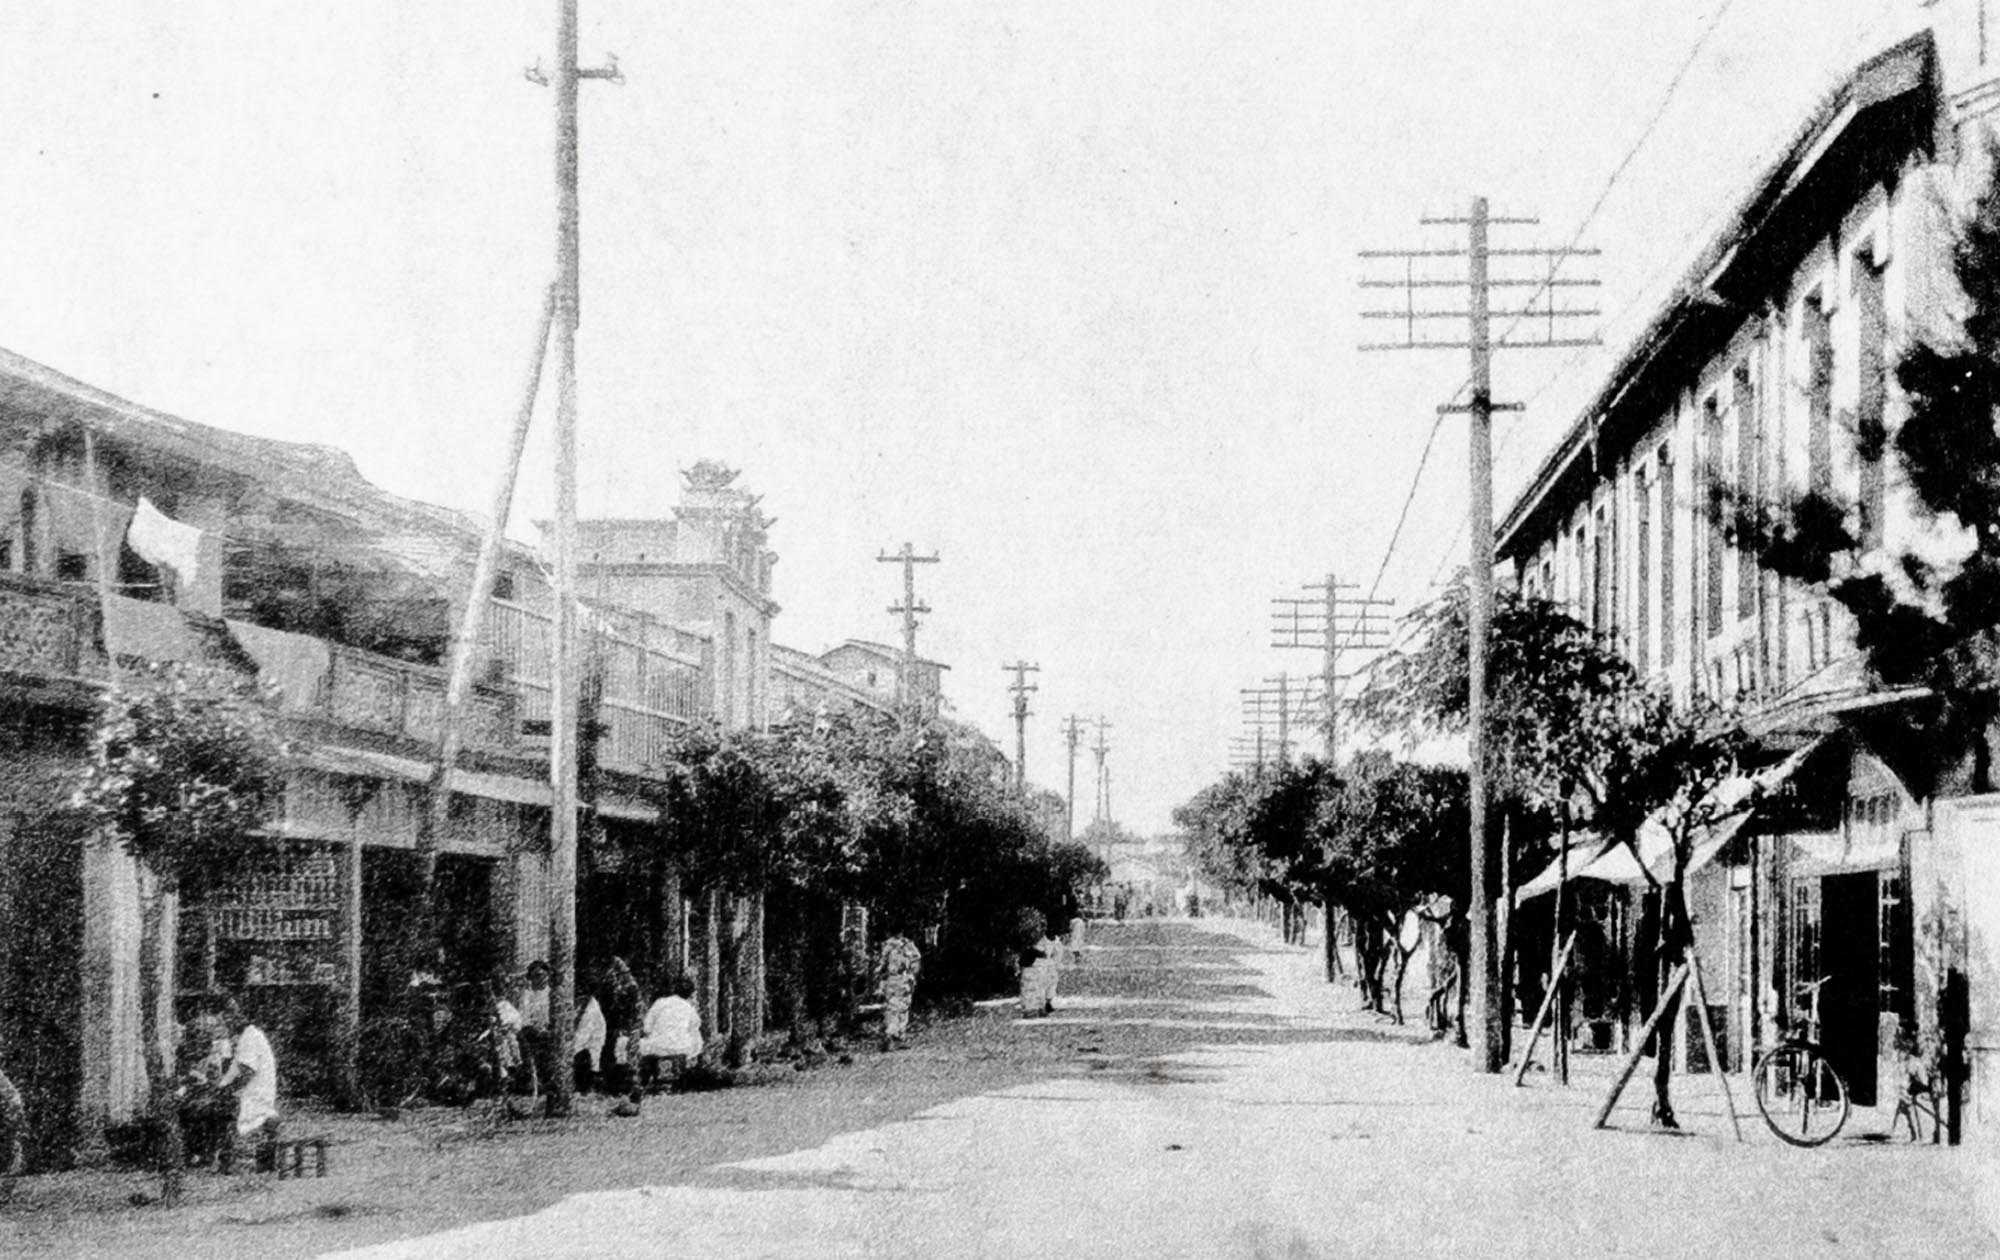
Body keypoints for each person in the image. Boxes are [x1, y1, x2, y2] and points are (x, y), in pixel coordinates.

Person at [216, 1001, 279, 1173]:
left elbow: (247, 1072)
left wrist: (226, 1091)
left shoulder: (250, 1037)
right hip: (254, 1091)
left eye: (230, 1017)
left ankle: (228, 1160)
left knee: (217, 1110)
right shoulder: (245, 1037)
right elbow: (235, 1069)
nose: (227, 1022)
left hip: (256, 1093)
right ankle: (225, 1158)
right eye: (225, 1019)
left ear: (241, 1017)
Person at [638, 973, 703, 1092]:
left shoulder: (660, 1003)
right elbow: (695, 1026)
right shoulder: (689, 1008)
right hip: (680, 1047)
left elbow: (646, 1027)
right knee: (695, 1038)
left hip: (656, 1046)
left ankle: (646, 1078)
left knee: (644, 1045)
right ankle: (682, 1076)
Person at [876, 932, 923, 1050]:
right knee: (902, 1009)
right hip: (903, 980)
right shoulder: (908, 945)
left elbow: (880, 966)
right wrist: (912, 976)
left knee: (892, 1008)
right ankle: (896, 1037)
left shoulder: (887, 945)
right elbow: (916, 963)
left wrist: (881, 982)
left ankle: (893, 1037)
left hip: (892, 980)